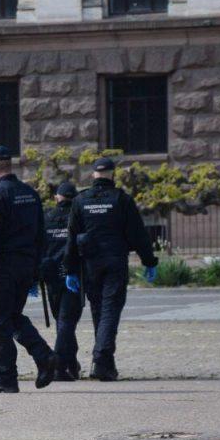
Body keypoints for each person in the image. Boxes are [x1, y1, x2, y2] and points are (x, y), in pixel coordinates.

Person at [64, 157, 158, 381]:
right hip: (114, 261)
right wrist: (149, 261)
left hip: (90, 263)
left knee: (99, 311)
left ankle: (105, 363)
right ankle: (101, 359)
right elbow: (138, 234)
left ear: (93, 175)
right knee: (110, 311)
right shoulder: (121, 199)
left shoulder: (80, 200)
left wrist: (70, 269)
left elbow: (71, 237)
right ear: (112, 175)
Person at [0, 145, 58, 393]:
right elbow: (41, 234)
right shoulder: (29, 193)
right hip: (25, 267)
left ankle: (6, 377)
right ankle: (44, 356)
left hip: (1, 269)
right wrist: (36, 266)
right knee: (12, 316)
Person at [40, 181, 83, 381]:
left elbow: (37, 245)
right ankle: (58, 366)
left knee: (63, 322)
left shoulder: (46, 217)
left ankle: (71, 364)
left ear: (57, 197)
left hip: (51, 276)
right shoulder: (78, 216)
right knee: (66, 322)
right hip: (72, 273)